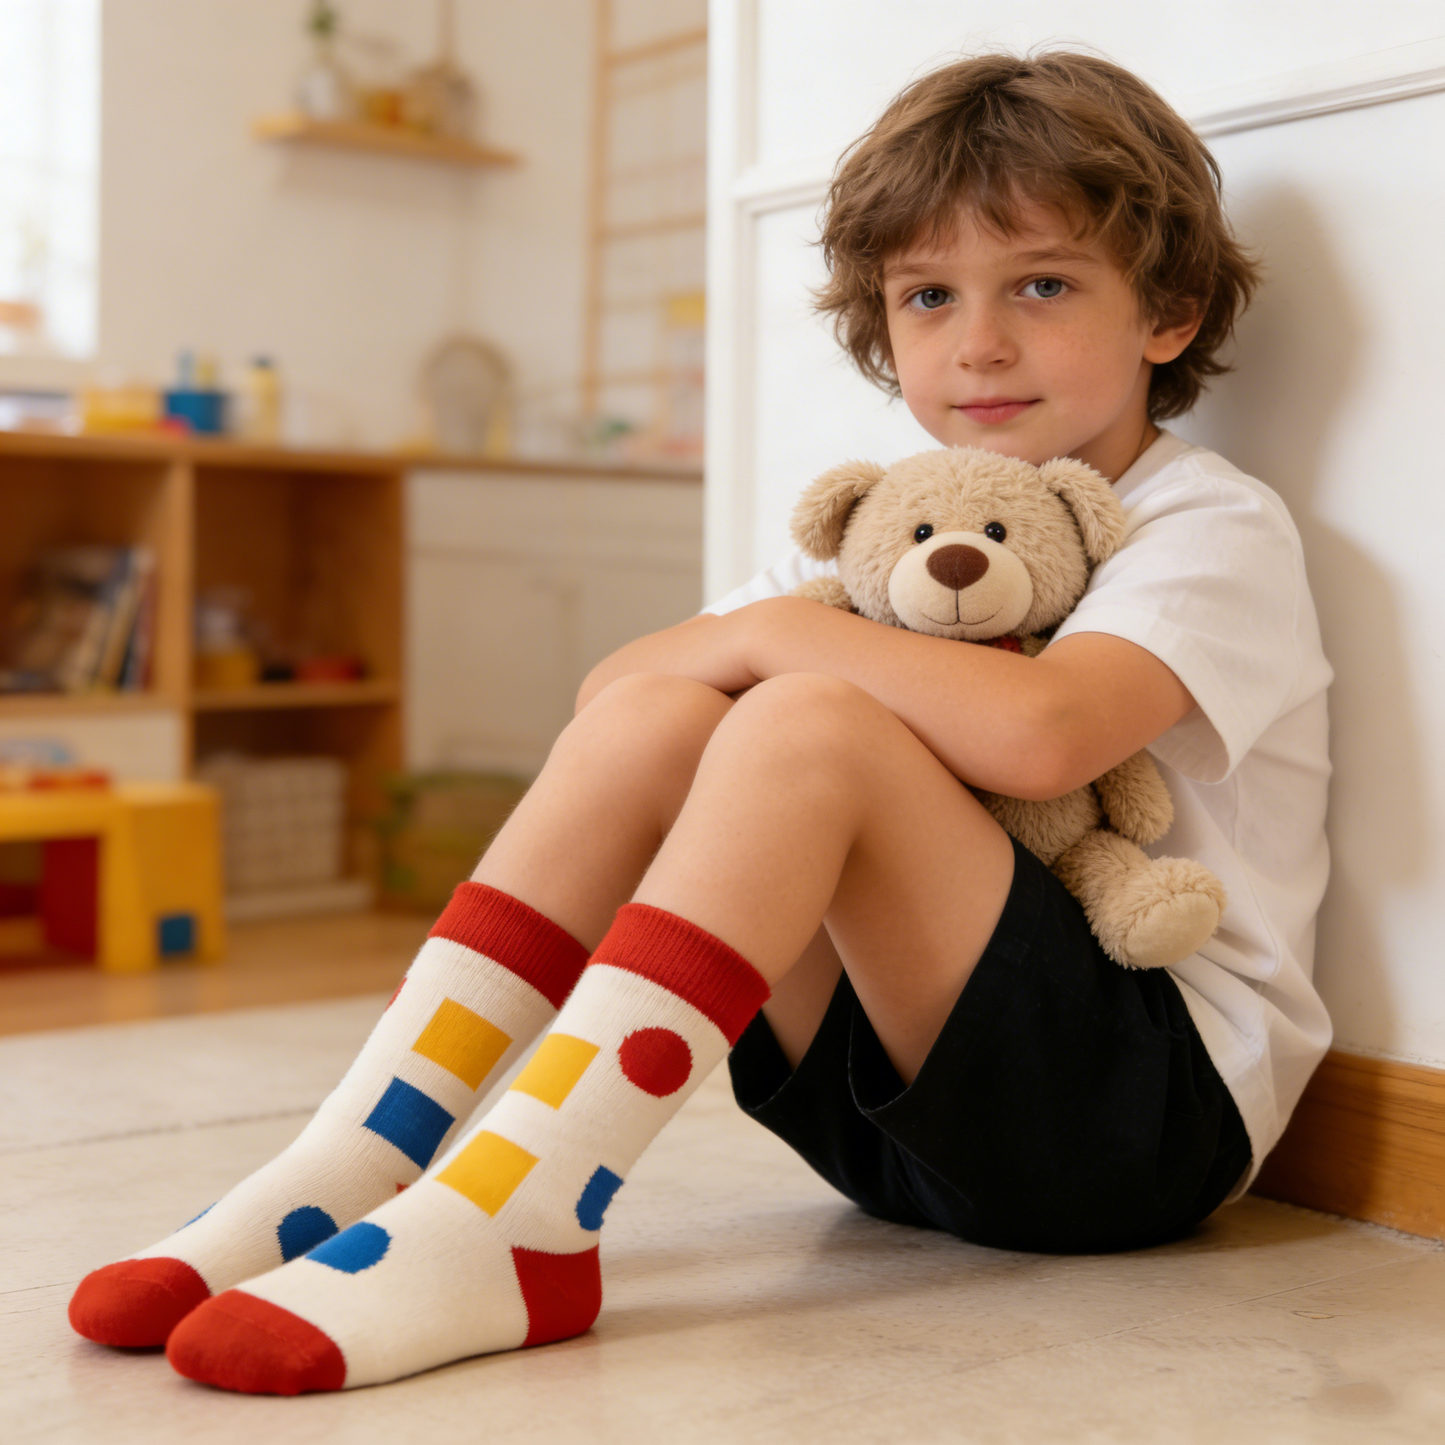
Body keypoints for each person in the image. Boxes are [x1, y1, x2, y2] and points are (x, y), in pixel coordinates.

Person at [68, 50, 1332, 1394]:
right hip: (885, 1127)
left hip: (1130, 1123)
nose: (980, 342)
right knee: (684, 714)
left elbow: (1043, 742)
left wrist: (785, 638)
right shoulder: (886, 534)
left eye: (1041, 284)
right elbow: (616, 705)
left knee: (805, 720)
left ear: (1170, 313)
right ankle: (355, 1160)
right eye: (927, 295)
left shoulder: (1207, 522)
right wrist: (774, 641)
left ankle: (520, 1217)